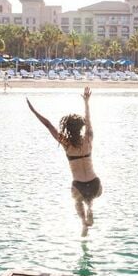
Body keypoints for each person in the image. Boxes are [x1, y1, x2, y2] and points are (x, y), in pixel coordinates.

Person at [27, 87, 102, 235]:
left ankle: (83, 223)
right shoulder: (88, 139)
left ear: (68, 129)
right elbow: (89, 120)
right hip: (95, 184)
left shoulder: (66, 144)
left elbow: (48, 125)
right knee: (90, 196)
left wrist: (34, 112)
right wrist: (86, 102)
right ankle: (90, 208)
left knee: (77, 200)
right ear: (81, 128)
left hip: (79, 186)